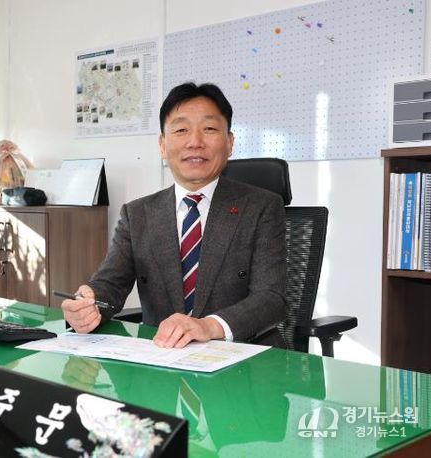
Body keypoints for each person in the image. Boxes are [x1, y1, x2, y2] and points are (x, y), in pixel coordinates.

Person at [61, 82, 287, 348]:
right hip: (164, 354)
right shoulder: (137, 214)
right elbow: (110, 284)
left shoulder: (261, 207)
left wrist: (208, 326)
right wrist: (89, 303)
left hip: (242, 355)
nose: (195, 142)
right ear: (162, 145)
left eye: (209, 129)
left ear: (229, 143)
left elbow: (271, 298)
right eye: (181, 130)